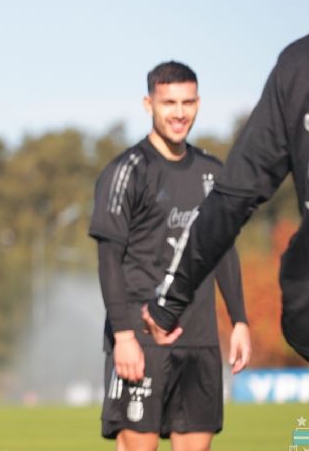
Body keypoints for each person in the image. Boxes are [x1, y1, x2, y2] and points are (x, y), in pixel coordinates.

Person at [142, 2, 309, 399]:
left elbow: (233, 197)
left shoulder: (306, 59)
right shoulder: (306, 63)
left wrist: (169, 301)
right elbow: (234, 195)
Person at [89, 61, 251, 450]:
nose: (179, 113)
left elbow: (223, 251)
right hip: (141, 341)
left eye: (188, 102)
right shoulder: (127, 171)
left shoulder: (213, 172)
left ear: (198, 103)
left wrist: (240, 320)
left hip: (199, 341)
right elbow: (109, 259)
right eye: (169, 103)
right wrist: (123, 335)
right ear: (149, 104)